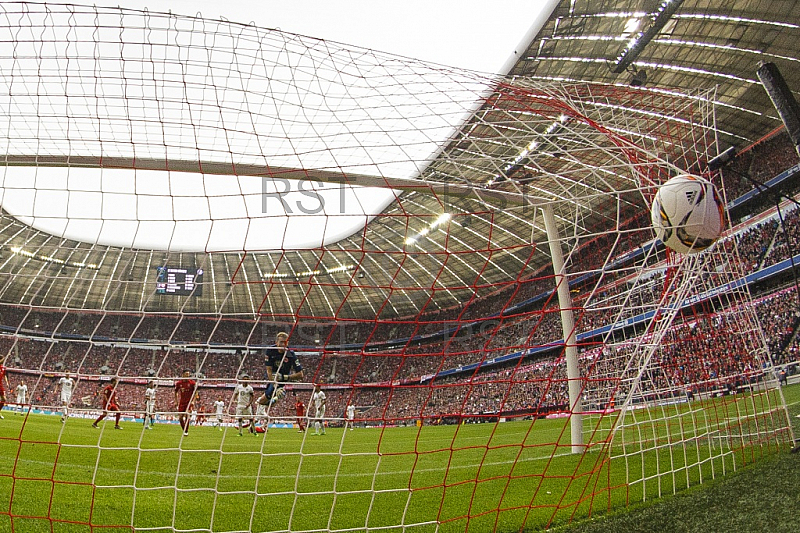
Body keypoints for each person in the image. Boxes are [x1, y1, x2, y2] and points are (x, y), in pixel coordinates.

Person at [255, 332, 304, 410]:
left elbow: (301, 375)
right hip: (272, 376)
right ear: (276, 342)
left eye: (285, 342)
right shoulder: (270, 351)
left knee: (263, 400)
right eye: (281, 342)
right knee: (263, 400)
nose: (283, 344)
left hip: (284, 377)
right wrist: (276, 386)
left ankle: (275, 396)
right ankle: (275, 397)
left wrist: (284, 377)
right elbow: (269, 370)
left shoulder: (290, 354)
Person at [174, 370, 196, 436]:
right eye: (186, 374)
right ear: (183, 374)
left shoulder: (192, 383)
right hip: (182, 402)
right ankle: (185, 429)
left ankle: (186, 431)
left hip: (189, 402)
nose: (188, 375)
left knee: (187, 415)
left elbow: (196, 392)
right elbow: (176, 392)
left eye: (188, 374)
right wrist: (176, 401)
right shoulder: (179, 383)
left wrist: (193, 401)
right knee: (180, 417)